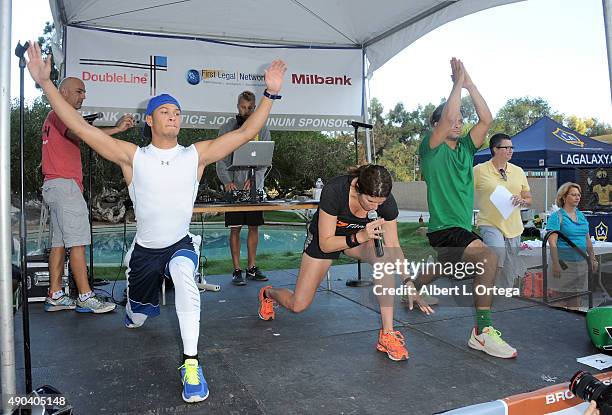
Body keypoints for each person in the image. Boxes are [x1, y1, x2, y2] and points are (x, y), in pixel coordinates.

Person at [26, 40, 286, 403]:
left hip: (178, 243)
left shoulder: (196, 155)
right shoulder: (132, 157)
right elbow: (83, 130)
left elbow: (244, 134)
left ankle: (191, 365)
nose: (173, 116)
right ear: (150, 120)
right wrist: (46, 84)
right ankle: (134, 307)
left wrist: (271, 94)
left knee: (186, 281)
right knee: (138, 314)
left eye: (177, 112)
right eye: (165, 111)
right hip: (145, 254)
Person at [257, 164, 434, 362]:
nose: (374, 207)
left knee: (383, 257)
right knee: (298, 305)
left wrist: (408, 281)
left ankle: (388, 334)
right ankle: (268, 293)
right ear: (358, 187)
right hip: (325, 240)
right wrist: (359, 236)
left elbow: (393, 244)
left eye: (380, 203)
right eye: (370, 201)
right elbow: (325, 243)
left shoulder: (384, 202)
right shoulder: (335, 190)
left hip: (357, 239)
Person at [413, 58, 518, 359]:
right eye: (453, 119)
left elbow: (486, 118)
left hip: (459, 228)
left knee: (447, 267)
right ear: (436, 126)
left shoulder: (467, 149)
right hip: (446, 227)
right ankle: (482, 332)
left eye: (461, 120)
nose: (458, 123)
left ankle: (412, 284)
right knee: (488, 256)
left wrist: (469, 83)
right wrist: (455, 83)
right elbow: (448, 117)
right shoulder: (430, 149)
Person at [42, 76, 135, 314]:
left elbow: (79, 132)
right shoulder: (61, 114)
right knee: (78, 242)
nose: (83, 96)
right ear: (62, 92)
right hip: (65, 186)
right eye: (79, 91)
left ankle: (55, 295)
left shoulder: (54, 116)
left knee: (59, 244)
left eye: (84, 92)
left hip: (54, 185)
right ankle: (86, 296)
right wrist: (116, 128)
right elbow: (80, 133)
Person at [215, 91, 271, 285]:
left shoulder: (262, 128)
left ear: (255, 108)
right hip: (234, 189)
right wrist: (226, 180)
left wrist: (254, 179)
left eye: (250, 108)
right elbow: (219, 157)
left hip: (254, 190)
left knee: (253, 227)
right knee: (235, 228)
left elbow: (264, 160)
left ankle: (252, 268)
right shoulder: (227, 128)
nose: (246, 111)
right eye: (242, 107)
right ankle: (237, 270)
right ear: (237, 106)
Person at [474, 133, 532, 289]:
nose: (510, 150)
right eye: (506, 147)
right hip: (489, 222)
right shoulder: (479, 170)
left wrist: (522, 201)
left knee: (509, 266)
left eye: (512, 147)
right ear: (495, 149)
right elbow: (462, 190)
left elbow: (528, 198)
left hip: (514, 226)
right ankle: (485, 289)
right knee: (497, 254)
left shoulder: (518, 171)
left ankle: (504, 296)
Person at [545, 182, 597, 310]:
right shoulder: (556, 217)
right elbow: (552, 242)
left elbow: (587, 239)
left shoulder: (581, 216)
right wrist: (556, 264)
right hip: (563, 263)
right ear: (564, 197)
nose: (577, 197)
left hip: (580, 263)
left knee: (576, 298)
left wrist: (592, 258)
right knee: (559, 299)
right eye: (573, 194)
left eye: (578, 195)